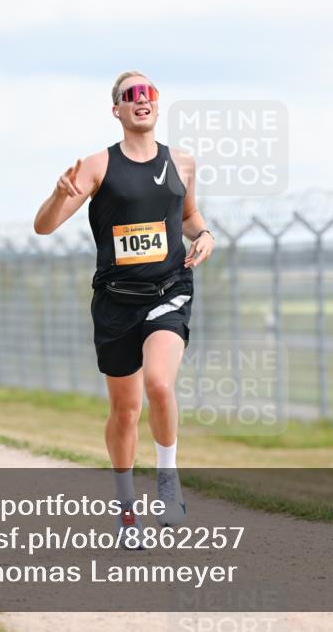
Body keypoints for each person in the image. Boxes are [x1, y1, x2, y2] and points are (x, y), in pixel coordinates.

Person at [34, 71, 214, 546]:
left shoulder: (182, 161)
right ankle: (124, 508)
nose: (141, 100)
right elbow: (44, 227)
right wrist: (59, 194)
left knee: (159, 382)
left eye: (148, 93)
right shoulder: (97, 165)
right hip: (116, 302)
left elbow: (190, 217)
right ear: (116, 110)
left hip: (169, 289)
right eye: (130, 96)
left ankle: (169, 480)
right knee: (125, 411)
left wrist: (206, 234)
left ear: (157, 105)